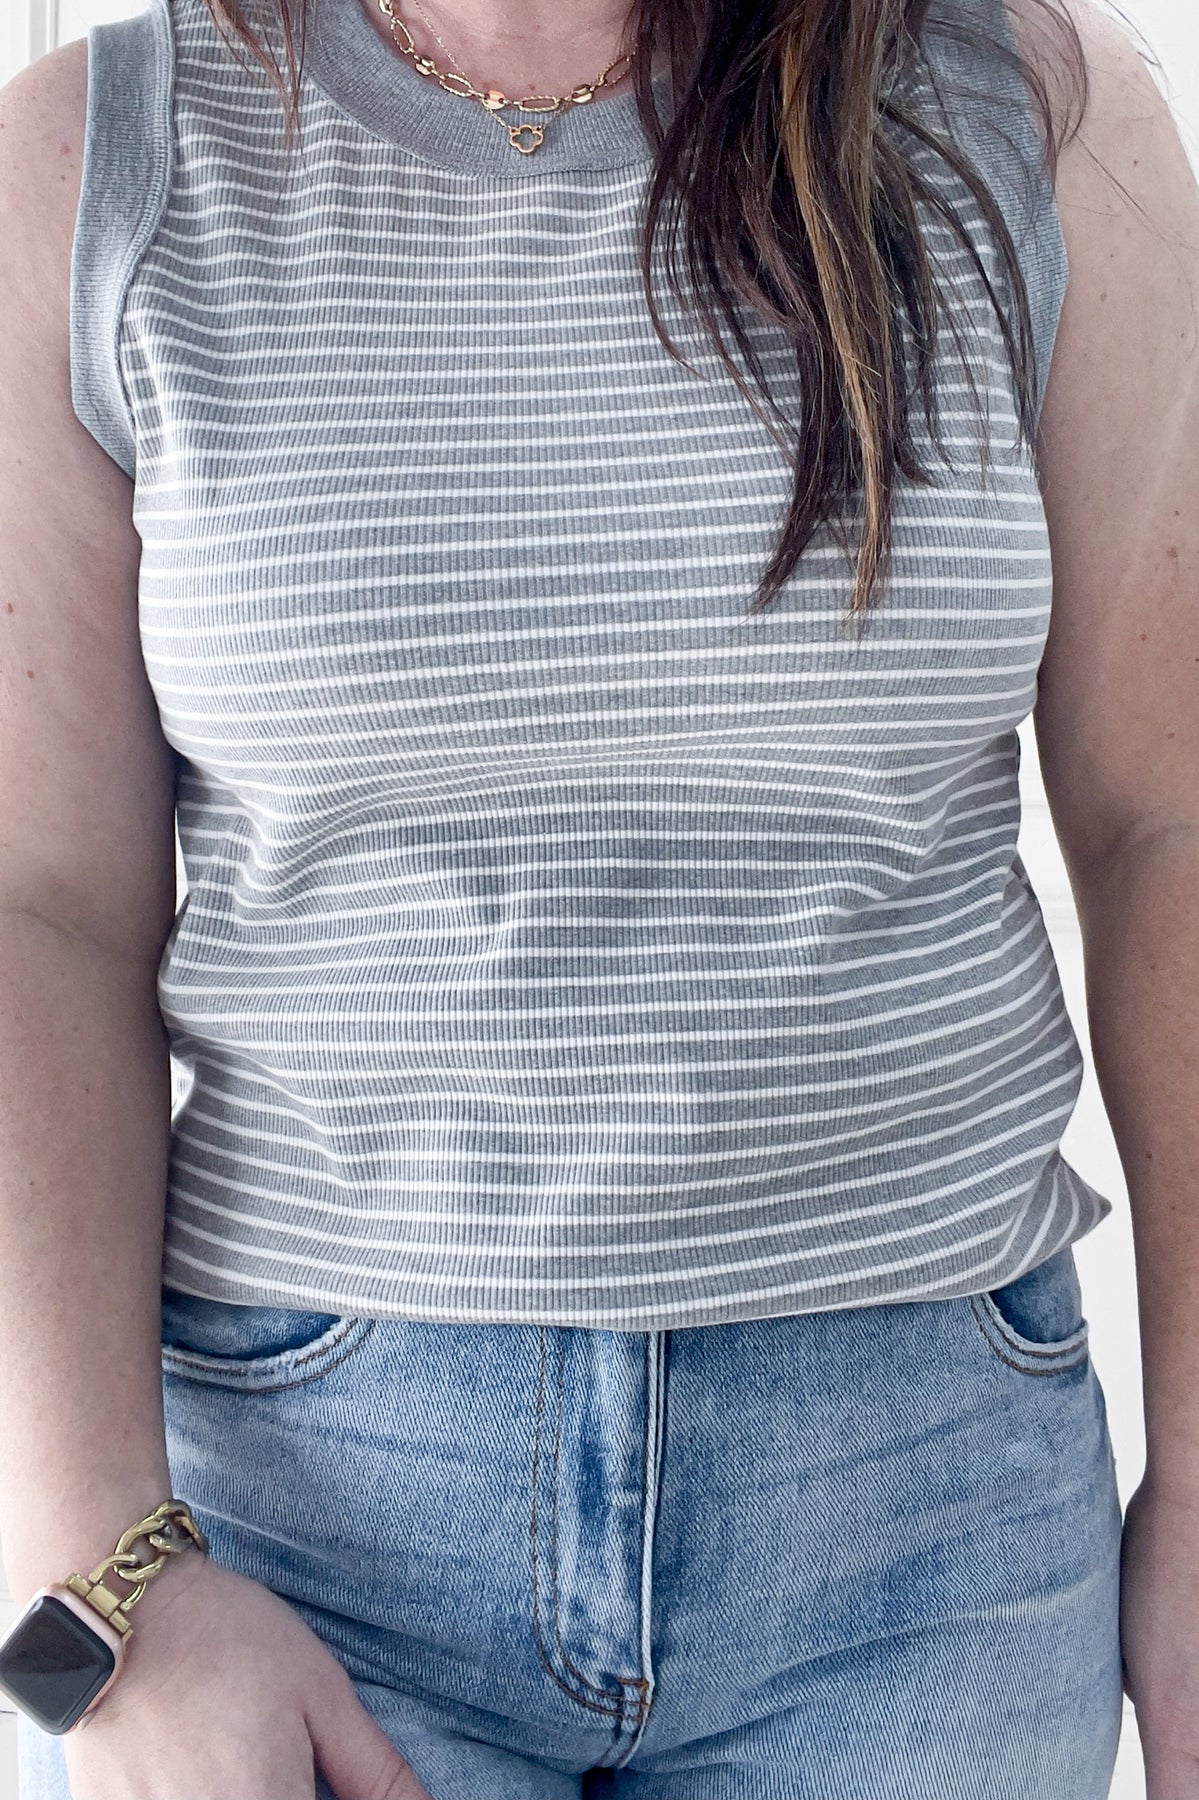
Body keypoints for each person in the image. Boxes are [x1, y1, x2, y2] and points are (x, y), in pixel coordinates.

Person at [0, 0, 1196, 1789]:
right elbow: (39, 908)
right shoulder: (93, 168)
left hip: (924, 1528)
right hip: (312, 1522)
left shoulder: (1027, 111)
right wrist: (101, 1585)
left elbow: (1169, 820)